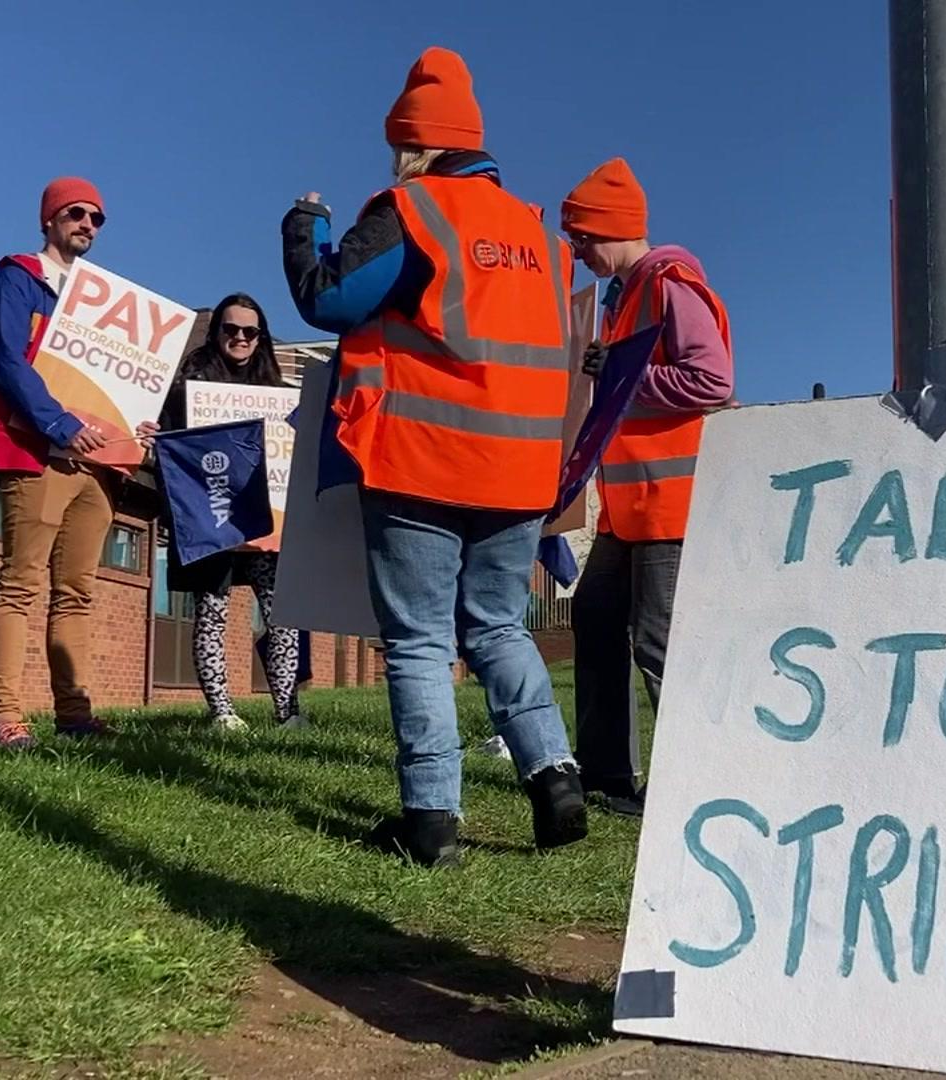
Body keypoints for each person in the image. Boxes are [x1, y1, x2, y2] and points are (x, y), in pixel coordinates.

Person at [281, 46, 586, 867]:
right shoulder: (538, 237)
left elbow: (330, 299)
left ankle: (430, 823)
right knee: (498, 629)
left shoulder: (411, 211)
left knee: (417, 640)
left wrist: (305, 228)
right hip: (520, 472)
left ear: (415, 147)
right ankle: (554, 775)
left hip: (424, 459)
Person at [0, 177, 158, 750]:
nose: (86, 224)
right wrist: (61, 424)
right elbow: (3, 359)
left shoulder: (108, 304)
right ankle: (6, 717)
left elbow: (120, 383)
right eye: (75, 213)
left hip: (99, 466)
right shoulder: (18, 278)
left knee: (77, 591)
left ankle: (74, 714)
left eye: (97, 218)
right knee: (20, 583)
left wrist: (134, 424)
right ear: (48, 220)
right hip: (38, 452)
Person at [560, 158, 734, 816]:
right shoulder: (627, 295)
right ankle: (608, 780)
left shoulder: (669, 282)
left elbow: (711, 381)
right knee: (596, 617)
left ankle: (696, 787)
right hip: (630, 508)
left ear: (611, 230)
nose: (578, 254)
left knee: (660, 641)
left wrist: (622, 380)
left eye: (582, 241)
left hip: (671, 502)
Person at [156, 293, 305, 732]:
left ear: (261, 338)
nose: (240, 338)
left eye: (250, 331)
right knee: (212, 611)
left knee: (282, 614)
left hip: (267, 522)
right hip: (212, 516)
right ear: (216, 330)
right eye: (231, 329)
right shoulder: (188, 387)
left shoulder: (281, 395)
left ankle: (287, 712)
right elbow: (167, 443)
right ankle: (221, 712)